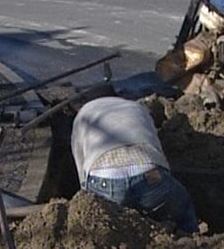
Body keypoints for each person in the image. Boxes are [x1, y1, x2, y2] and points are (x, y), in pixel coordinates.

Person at [71, 96, 199, 233]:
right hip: (150, 174)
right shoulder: (138, 109)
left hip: (104, 179)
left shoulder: (82, 116)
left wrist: (86, 197)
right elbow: (156, 148)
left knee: (104, 231)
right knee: (182, 207)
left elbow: (80, 164)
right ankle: (190, 238)